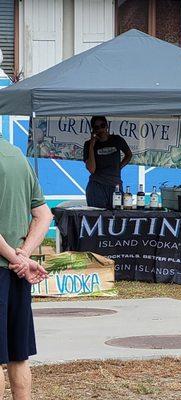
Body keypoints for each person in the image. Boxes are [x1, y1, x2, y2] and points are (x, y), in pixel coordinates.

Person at [0, 135, 53, 400]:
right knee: (18, 355)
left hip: (6, 266)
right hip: (17, 273)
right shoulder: (18, 156)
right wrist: (24, 254)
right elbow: (44, 213)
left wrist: (15, 257)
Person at [83, 116, 132, 209]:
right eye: (97, 127)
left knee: (118, 217)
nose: (101, 129)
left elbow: (129, 154)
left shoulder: (117, 139)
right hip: (97, 185)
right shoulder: (88, 144)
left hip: (115, 184)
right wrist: (91, 146)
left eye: (102, 125)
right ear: (93, 129)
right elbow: (91, 169)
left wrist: (119, 167)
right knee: (97, 217)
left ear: (107, 126)